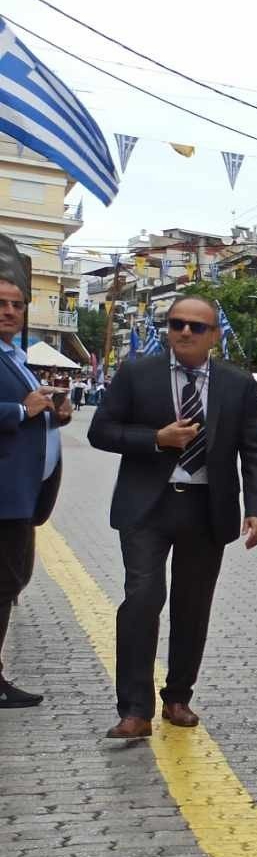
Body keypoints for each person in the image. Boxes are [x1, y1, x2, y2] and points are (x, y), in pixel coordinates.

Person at [87, 293, 257, 740]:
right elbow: (101, 432)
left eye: (196, 327)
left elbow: (256, 449)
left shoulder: (237, 383)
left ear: (215, 336)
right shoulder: (137, 373)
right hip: (146, 507)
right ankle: (134, 709)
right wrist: (156, 438)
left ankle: (178, 697)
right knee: (143, 600)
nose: (184, 332)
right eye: (176, 324)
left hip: (206, 509)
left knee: (193, 608)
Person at [0, 240, 67, 708]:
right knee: (3, 586)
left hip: (20, 498)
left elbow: (27, 413)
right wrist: (22, 410)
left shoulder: (11, 357)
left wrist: (49, 415)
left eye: (16, 305)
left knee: (9, 585)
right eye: (1, 304)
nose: (9, 312)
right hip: (3, 497)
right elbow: (15, 413)